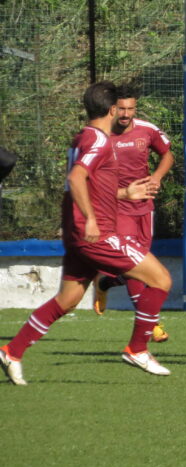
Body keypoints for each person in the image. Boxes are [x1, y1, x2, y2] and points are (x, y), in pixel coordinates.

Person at [0, 81, 174, 385]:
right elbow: (77, 177)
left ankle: (12, 351)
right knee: (161, 279)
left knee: (67, 300)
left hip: (78, 234)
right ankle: (138, 349)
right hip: (98, 234)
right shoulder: (99, 142)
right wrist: (92, 220)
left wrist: (124, 194)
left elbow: (91, 185)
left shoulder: (82, 136)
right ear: (111, 109)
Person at [92, 84, 174, 343]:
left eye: (131, 109)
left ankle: (105, 283)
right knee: (134, 264)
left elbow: (167, 155)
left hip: (144, 208)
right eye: (121, 109)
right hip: (116, 209)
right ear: (112, 109)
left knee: (137, 267)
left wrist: (157, 178)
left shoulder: (147, 130)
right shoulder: (98, 136)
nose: (126, 114)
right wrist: (118, 193)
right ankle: (151, 325)